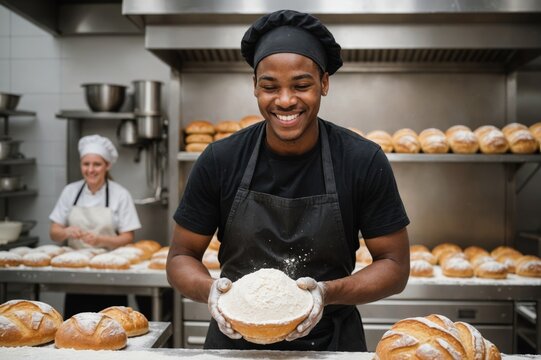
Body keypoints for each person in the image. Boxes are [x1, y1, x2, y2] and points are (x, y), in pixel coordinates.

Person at [167, 9, 410, 351]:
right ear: (254, 87)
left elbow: (395, 266)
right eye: (269, 86)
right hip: (235, 344)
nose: (285, 100)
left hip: (330, 343)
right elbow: (181, 256)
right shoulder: (221, 159)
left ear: (324, 83)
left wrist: (326, 294)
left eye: (301, 85)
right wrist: (212, 293)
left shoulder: (361, 160)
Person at [49, 134, 142, 317]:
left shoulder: (119, 194)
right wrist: (66, 231)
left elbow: (128, 237)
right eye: (86, 164)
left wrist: (100, 239)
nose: (90, 170)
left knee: (111, 330)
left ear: (107, 166)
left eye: (97, 164)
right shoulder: (70, 192)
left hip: (110, 274)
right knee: (76, 331)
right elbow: (54, 232)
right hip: (77, 274)